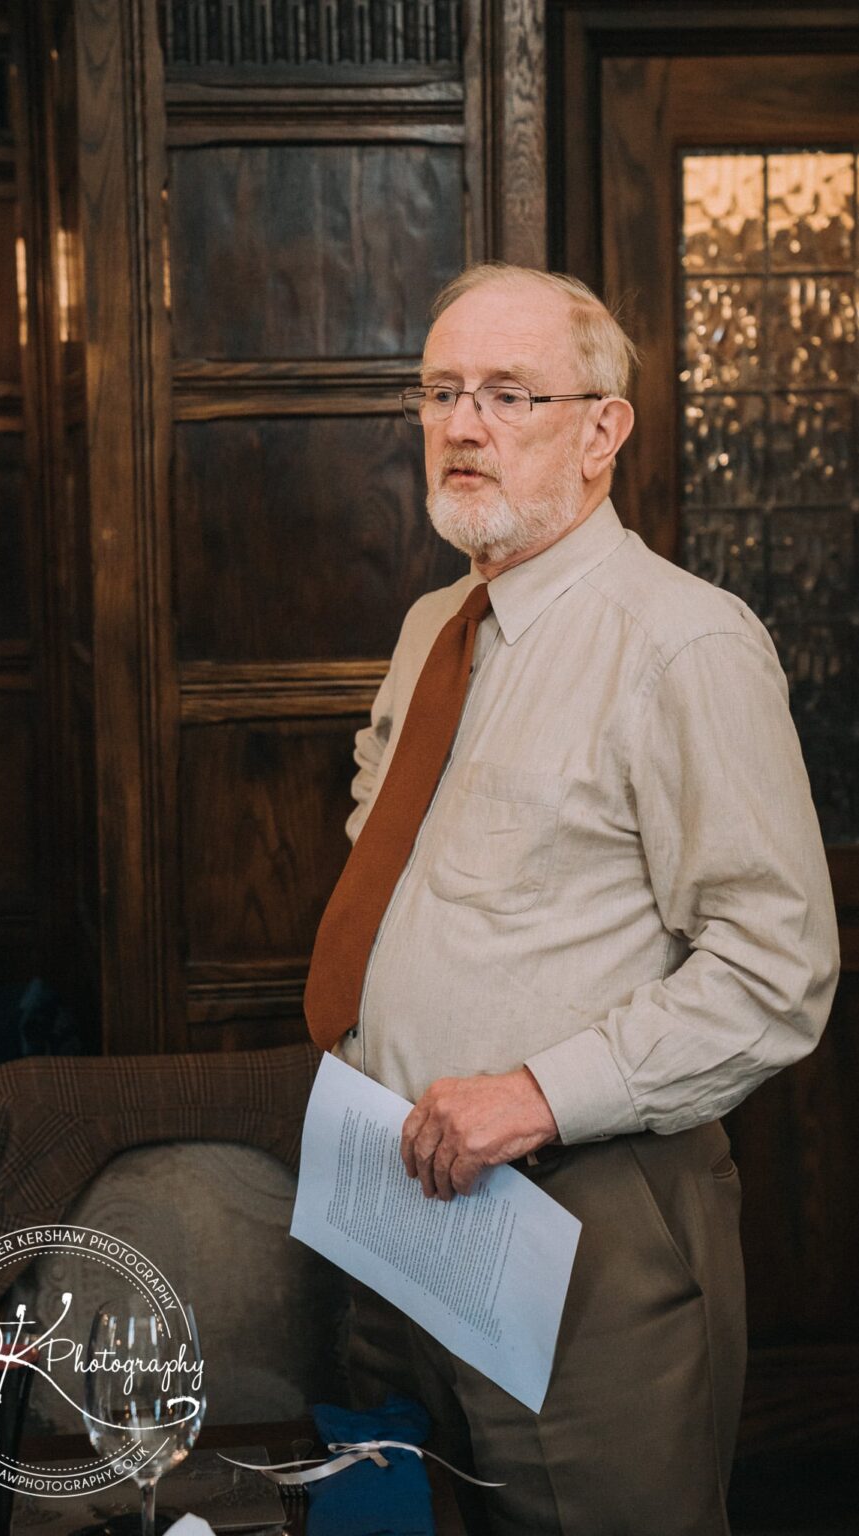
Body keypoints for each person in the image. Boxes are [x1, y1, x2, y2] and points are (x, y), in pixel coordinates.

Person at [303, 263, 839, 1536]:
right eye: (440, 392)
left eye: (507, 393)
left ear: (602, 429)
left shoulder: (684, 643)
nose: (462, 425)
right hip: (393, 1193)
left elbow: (776, 970)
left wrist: (534, 1097)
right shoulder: (439, 620)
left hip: (584, 1215)